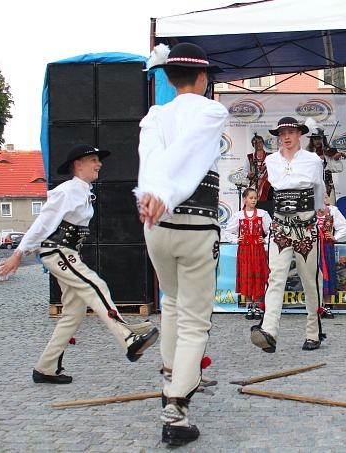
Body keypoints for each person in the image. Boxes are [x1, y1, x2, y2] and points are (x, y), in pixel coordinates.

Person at [0, 144, 159, 384]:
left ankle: (45, 368)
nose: (98, 164)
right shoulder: (68, 191)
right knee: (96, 286)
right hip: (58, 252)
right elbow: (43, 224)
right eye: (93, 160)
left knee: (74, 313)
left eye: (97, 160)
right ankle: (127, 337)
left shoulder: (83, 191)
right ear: (78, 165)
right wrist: (18, 252)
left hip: (67, 252)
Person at [137, 42, 228, 446]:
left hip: (155, 223)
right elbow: (187, 152)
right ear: (204, 77)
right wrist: (165, 192)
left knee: (171, 305)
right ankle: (175, 410)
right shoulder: (211, 110)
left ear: (170, 79)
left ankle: (170, 379)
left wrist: (155, 192)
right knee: (194, 319)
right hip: (193, 224)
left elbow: (154, 155)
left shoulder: (155, 114)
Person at [249, 117, 326, 353]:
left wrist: (315, 213)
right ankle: (269, 330)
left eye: (291, 132)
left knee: (310, 280)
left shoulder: (313, 160)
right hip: (281, 225)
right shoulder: (271, 161)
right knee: (276, 276)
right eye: (282, 133)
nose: (286, 137)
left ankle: (314, 331)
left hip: (306, 225)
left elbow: (319, 190)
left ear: (299, 134)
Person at [222, 187, 272, 320]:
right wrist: (236, 240)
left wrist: (265, 239)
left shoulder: (263, 214)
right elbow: (228, 232)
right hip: (244, 250)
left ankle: (258, 304)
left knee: (259, 274)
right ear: (244, 199)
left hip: (258, 249)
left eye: (255, 198)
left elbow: (271, 231)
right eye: (251, 198)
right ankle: (250, 304)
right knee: (246, 274)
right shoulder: (238, 215)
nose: (253, 200)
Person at [317, 195, 346, 319]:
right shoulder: (308, 210)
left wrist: (335, 236)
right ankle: (316, 305)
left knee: (328, 274)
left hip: (326, 247)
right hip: (313, 248)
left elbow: (344, 227)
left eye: (324, 193)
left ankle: (328, 305)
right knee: (313, 275)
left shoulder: (333, 211)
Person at [306, 119, 343, 206]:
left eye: (319, 139)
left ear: (323, 140)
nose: (318, 141)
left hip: (328, 186)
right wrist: (317, 160)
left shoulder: (328, 153)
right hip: (313, 186)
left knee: (330, 209)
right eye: (315, 139)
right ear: (312, 140)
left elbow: (338, 169)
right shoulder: (308, 154)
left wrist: (336, 159)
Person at [243, 133, 274, 202]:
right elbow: (244, 171)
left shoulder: (270, 156)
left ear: (263, 143)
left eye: (260, 142)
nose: (258, 144)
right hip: (255, 184)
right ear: (253, 145)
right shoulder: (250, 157)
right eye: (256, 143)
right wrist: (248, 175)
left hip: (268, 186)